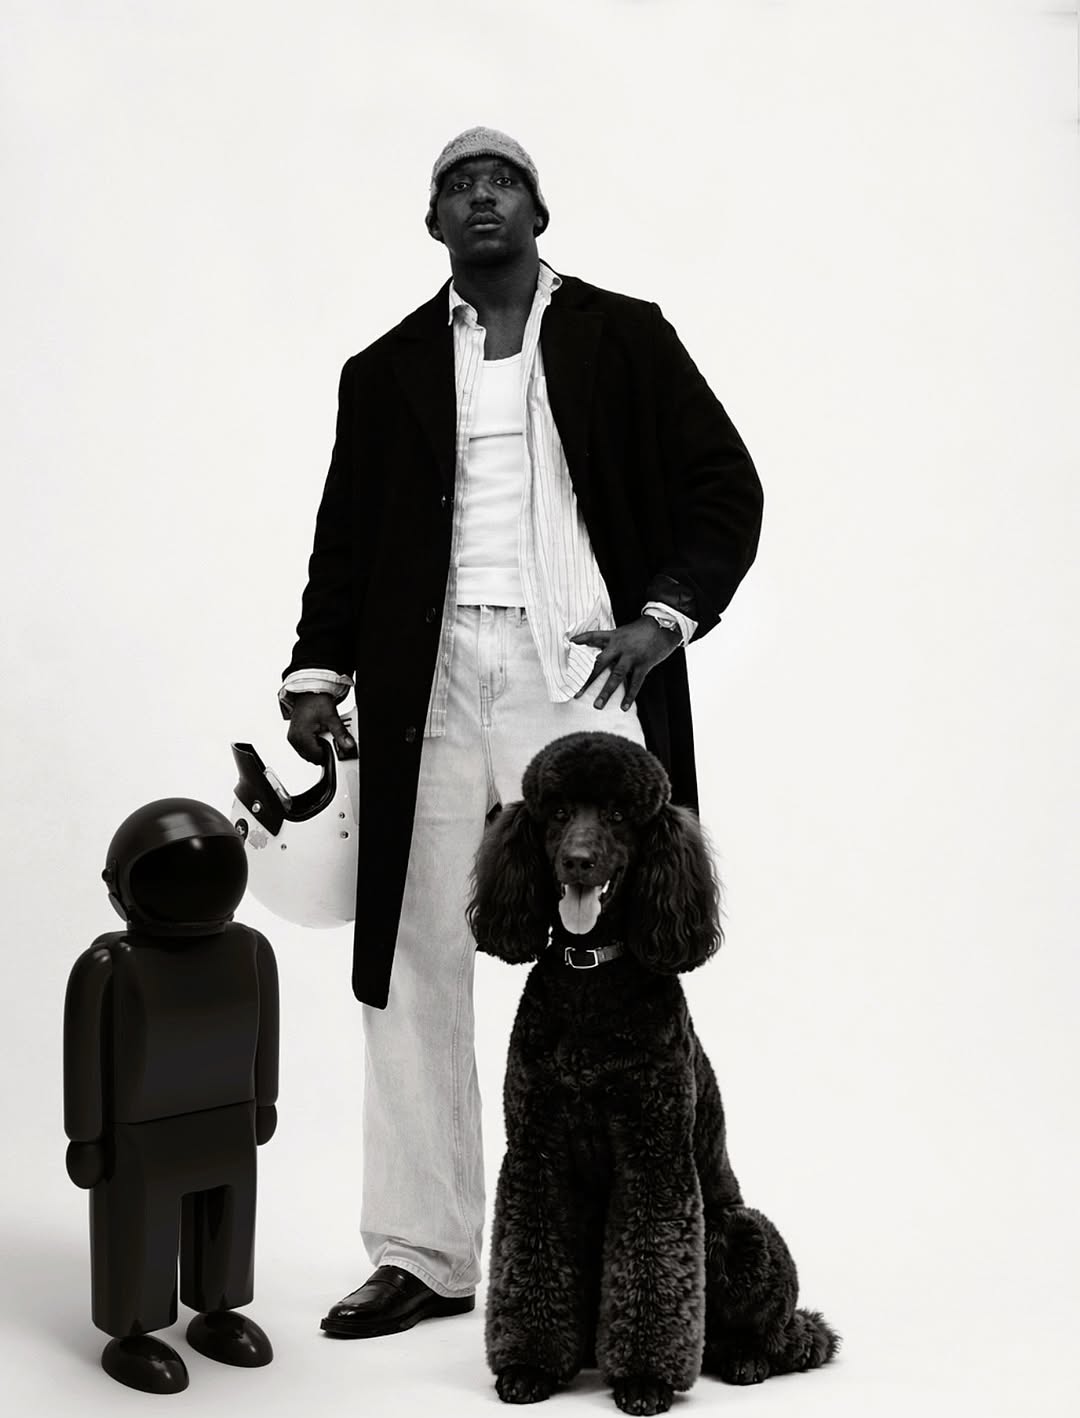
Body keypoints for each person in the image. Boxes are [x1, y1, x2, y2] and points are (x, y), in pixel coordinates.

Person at [279, 126, 763, 1339]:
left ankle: (658, 1240)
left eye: (502, 182)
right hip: (430, 674)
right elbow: (346, 537)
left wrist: (664, 616)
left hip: (581, 664)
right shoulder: (383, 369)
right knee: (411, 952)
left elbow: (725, 487)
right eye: (458, 185)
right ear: (433, 223)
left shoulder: (625, 335)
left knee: (630, 945)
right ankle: (425, 1252)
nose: (480, 197)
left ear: (540, 213)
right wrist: (318, 670)